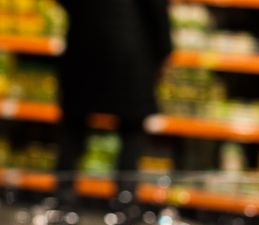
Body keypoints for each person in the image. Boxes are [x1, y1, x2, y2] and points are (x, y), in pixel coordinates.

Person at [54, 0, 172, 209]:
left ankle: (62, 202)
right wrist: (164, 51)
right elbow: (157, 12)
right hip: (131, 52)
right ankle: (125, 203)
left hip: (84, 46)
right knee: (132, 130)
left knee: (73, 130)